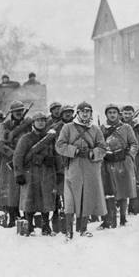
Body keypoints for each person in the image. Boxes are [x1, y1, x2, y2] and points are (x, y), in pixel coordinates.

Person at [54, 101, 107, 238]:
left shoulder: (96, 129)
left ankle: (83, 229)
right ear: (77, 113)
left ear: (91, 113)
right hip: (73, 166)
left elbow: (102, 148)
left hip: (91, 167)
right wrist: (75, 151)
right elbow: (59, 145)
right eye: (82, 111)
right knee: (70, 198)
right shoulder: (68, 128)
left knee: (87, 196)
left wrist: (92, 153)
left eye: (88, 111)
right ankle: (68, 231)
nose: (85, 114)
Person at [13, 111, 58, 235]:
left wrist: (54, 163)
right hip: (30, 172)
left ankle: (45, 225)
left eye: (43, 120)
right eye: (38, 120)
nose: (41, 123)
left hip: (46, 172)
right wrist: (19, 174)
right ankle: (29, 225)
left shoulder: (51, 138)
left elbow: (56, 153)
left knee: (46, 198)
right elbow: (18, 156)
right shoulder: (26, 138)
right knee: (29, 198)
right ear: (33, 123)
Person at [99, 104, 138, 228]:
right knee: (108, 191)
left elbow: (134, 144)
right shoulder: (101, 129)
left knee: (123, 190)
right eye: (109, 112)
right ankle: (109, 219)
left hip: (123, 163)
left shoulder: (126, 128)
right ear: (106, 115)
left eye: (114, 112)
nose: (112, 114)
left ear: (118, 114)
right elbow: (98, 145)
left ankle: (123, 218)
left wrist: (128, 157)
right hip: (108, 162)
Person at [0, 100, 30, 226]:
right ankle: (12, 215)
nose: (19, 113)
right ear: (12, 113)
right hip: (9, 161)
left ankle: (27, 215)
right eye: (16, 111)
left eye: (21, 110)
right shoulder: (5, 125)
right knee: (11, 190)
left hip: (26, 160)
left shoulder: (28, 124)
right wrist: (14, 154)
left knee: (25, 188)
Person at [121, 105, 139, 215]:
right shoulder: (118, 126)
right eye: (125, 113)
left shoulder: (138, 128)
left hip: (136, 159)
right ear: (121, 114)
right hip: (122, 158)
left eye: (129, 114)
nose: (127, 116)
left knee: (136, 182)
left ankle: (135, 208)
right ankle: (121, 207)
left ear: (133, 115)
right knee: (122, 182)